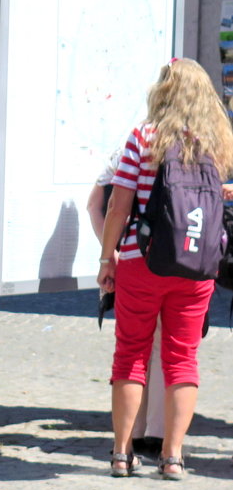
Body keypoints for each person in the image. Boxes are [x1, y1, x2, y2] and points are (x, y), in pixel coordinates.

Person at [97, 57, 233, 479]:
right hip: (197, 266)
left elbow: (119, 205)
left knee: (131, 355)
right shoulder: (218, 141)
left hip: (143, 260)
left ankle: (122, 453)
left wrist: (108, 256)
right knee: (182, 359)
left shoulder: (144, 137)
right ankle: (173, 457)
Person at [86, 150, 165, 460]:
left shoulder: (128, 148)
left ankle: (129, 437)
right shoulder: (194, 145)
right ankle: (159, 437)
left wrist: (110, 254)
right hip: (181, 261)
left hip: (133, 258)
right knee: (168, 349)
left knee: (133, 349)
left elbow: (97, 205)